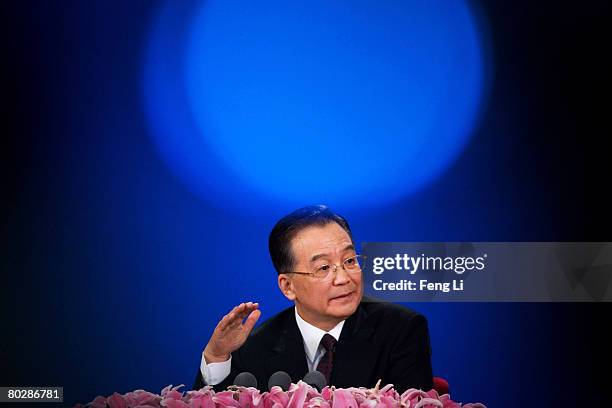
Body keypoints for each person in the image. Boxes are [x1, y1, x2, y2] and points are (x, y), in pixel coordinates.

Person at [193, 205, 433, 393]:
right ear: (288, 287)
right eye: (323, 268)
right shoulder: (255, 346)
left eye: (350, 261)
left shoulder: (401, 330)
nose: (343, 278)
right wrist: (216, 357)